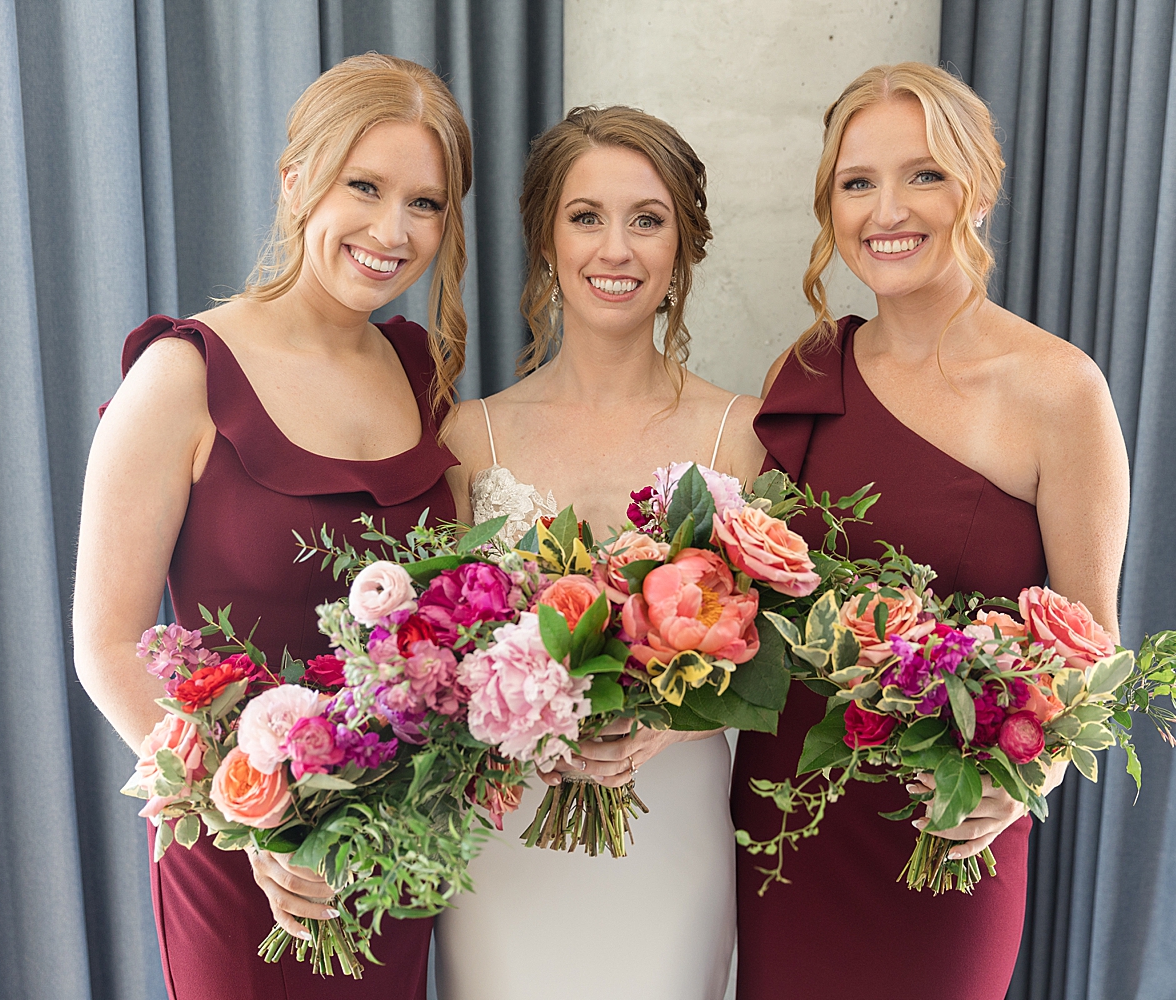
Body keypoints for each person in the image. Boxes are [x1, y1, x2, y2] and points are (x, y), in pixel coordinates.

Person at [73, 53, 472, 999]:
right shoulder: (181, 375)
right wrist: (254, 819)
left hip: (392, 841)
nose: (392, 230)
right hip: (237, 846)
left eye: (425, 202)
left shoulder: (424, 373)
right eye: (364, 186)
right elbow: (106, 644)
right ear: (297, 182)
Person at [730, 62, 1131, 999]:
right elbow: (758, 606)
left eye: (923, 175)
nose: (886, 211)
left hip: (947, 830)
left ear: (978, 187)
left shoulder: (1060, 390)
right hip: (790, 825)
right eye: (856, 183)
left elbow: (1093, 642)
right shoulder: (810, 368)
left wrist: (1025, 779)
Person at [435, 105, 762, 1000]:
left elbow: (776, 647)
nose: (614, 249)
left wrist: (677, 714)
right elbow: (438, 651)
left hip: (672, 826)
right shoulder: (472, 434)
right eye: (586, 217)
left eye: (646, 220)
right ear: (547, 237)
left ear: (682, 247)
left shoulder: (740, 432)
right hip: (507, 840)